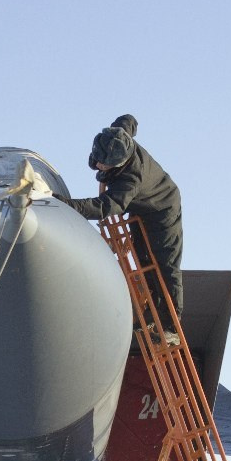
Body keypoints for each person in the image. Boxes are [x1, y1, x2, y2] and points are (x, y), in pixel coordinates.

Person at [58, 115, 184, 343]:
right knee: (142, 259)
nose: (99, 166)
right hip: (141, 205)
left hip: (162, 207)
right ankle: (152, 312)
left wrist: (67, 206)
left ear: (120, 164)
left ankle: (170, 326)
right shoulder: (117, 136)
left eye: (104, 165)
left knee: (164, 264)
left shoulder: (131, 179)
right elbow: (129, 119)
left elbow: (106, 206)